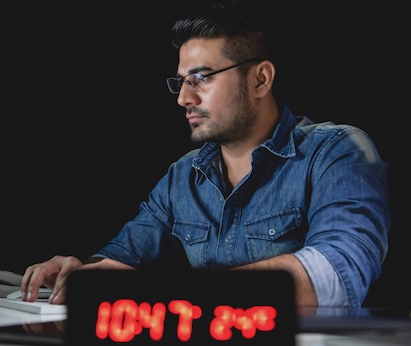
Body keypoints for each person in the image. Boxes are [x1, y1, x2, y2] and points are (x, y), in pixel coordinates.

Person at [21, 0, 390, 308]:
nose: (184, 98)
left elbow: (339, 271)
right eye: (181, 82)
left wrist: (192, 297)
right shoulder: (183, 177)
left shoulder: (336, 152)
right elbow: (124, 261)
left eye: (201, 78)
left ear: (260, 79)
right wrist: (82, 276)